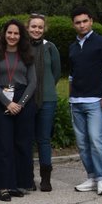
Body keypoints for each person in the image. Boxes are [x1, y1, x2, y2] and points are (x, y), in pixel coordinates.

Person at [68, 6, 102, 196]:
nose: (81, 25)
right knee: (82, 143)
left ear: (91, 21)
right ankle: (92, 177)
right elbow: (72, 75)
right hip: (76, 101)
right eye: (78, 22)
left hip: (96, 100)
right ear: (74, 25)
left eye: (84, 21)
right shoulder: (73, 47)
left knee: (96, 140)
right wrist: (71, 97)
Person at [0, 19, 38, 201]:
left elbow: (33, 82)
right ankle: (3, 186)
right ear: (4, 33)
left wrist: (21, 103)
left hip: (23, 99)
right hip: (1, 100)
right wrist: (7, 103)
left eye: (16, 33)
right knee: (3, 144)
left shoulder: (27, 54)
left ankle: (17, 183)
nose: (12, 36)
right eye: (9, 32)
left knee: (22, 144)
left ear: (21, 35)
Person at [27, 14, 62, 192]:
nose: (37, 30)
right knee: (27, 139)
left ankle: (45, 178)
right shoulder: (22, 47)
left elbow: (56, 73)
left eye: (40, 27)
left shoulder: (50, 47)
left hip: (47, 99)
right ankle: (28, 177)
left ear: (44, 29)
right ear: (28, 28)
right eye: (33, 26)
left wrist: (45, 88)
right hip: (26, 99)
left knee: (44, 139)